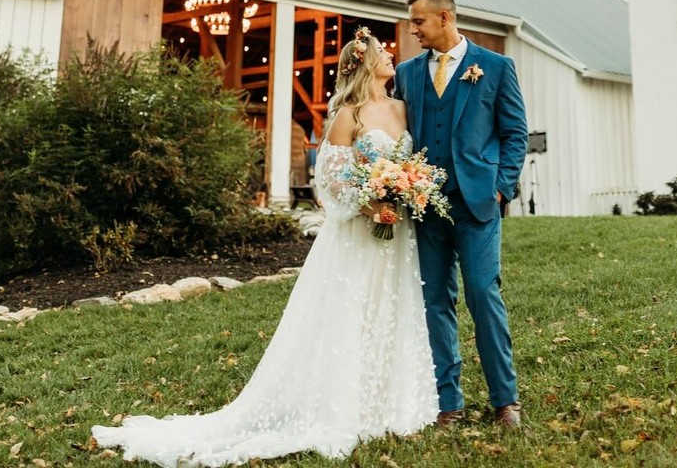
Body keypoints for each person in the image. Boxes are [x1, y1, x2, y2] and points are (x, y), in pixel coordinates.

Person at [91, 27, 438, 466]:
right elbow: (329, 182)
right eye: (382, 53)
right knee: (353, 310)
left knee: (390, 308)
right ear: (364, 64)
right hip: (358, 231)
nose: (391, 57)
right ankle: (344, 402)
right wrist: (368, 205)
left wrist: (407, 190)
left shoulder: (404, 108)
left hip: (397, 233)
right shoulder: (347, 115)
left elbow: (411, 164)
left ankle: (388, 401)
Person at [395, 0, 529, 428]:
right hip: (424, 206)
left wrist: (500, 188)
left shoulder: (495, 67)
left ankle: (504, 400)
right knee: (435, 301)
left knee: (482, 294)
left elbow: (514, 133)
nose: (412, 29)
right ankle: (447, 402)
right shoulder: (407, 73)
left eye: (419, 21)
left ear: (445, 18)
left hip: (476, 204)